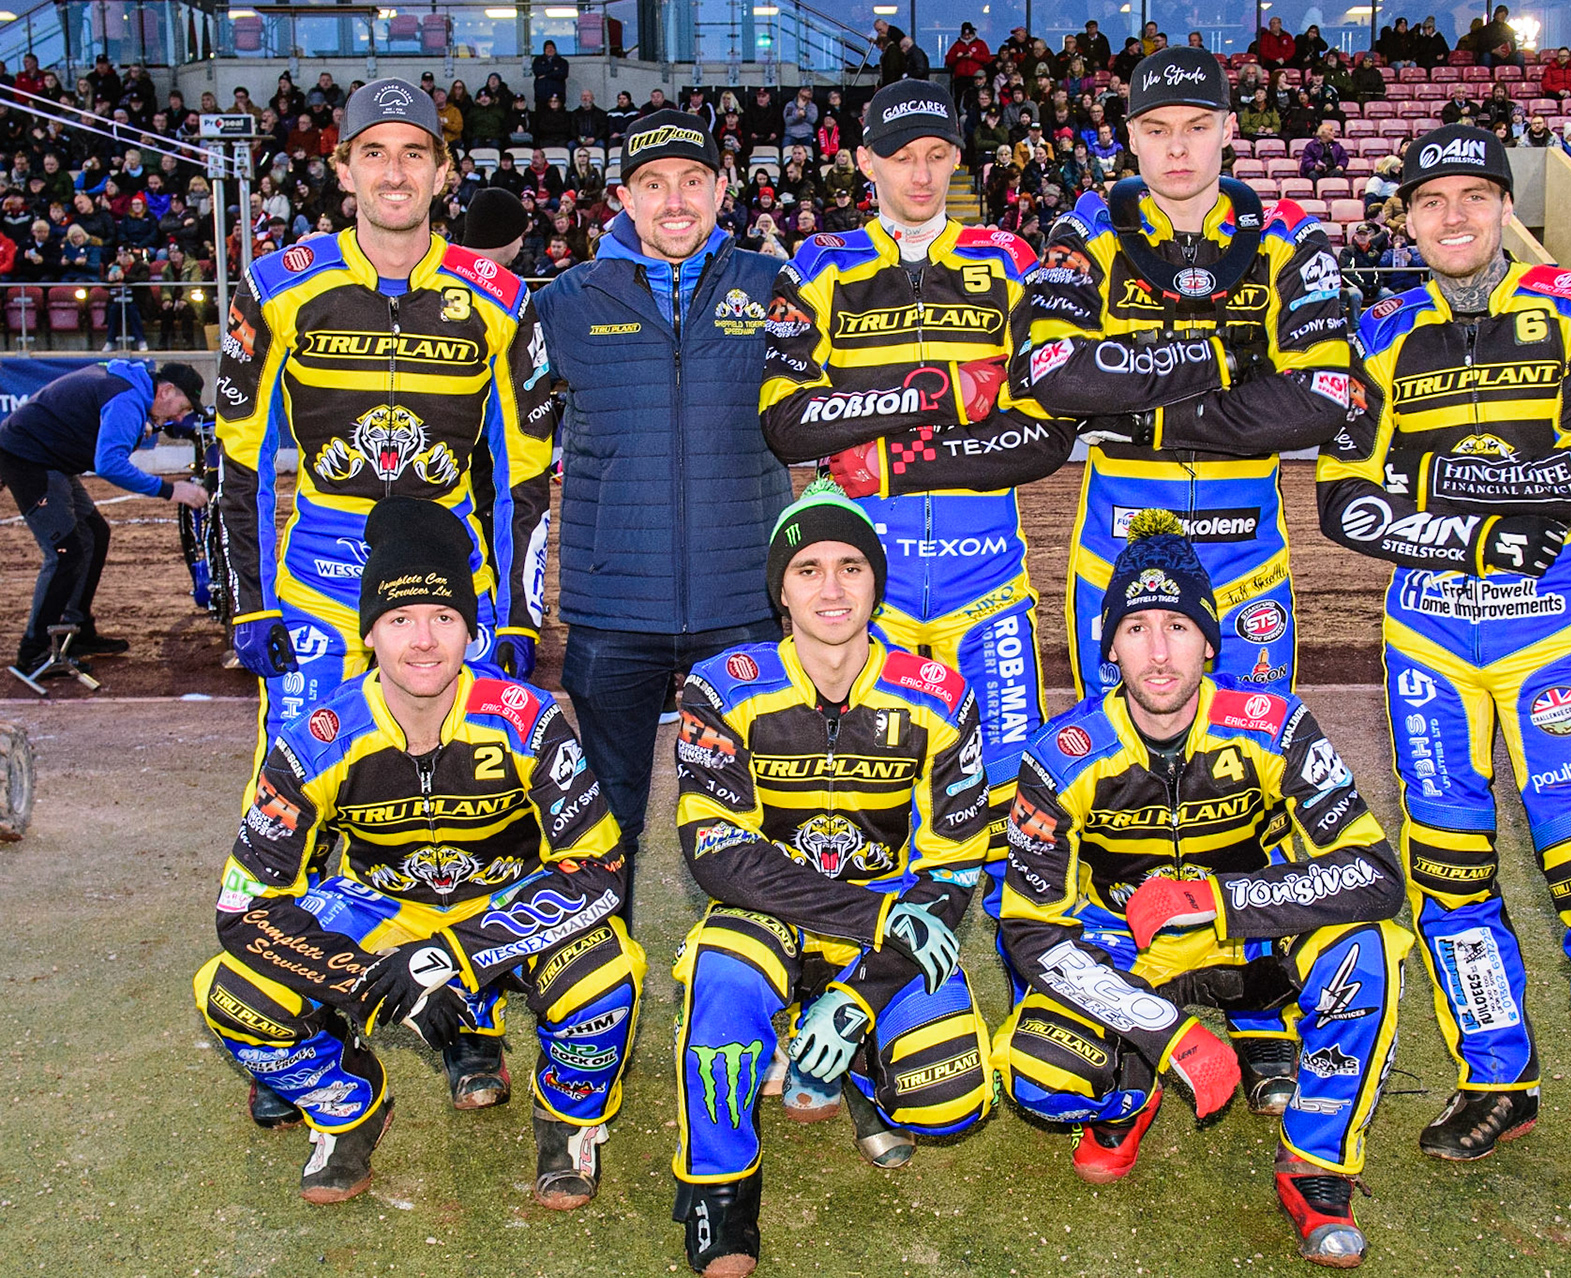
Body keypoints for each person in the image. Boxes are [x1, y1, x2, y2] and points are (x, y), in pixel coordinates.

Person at [1316, 125, 1571, 1208]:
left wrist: (1430, 502)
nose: (1455, 218)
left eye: (1476, 196)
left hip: (1548, 645)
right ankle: (1498, 1083)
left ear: (1504, 208)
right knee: (1449, 882)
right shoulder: (1379, 333)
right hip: (1426, 648)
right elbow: (1346, 505)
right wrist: (1482, 532)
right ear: (1408, 219)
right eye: (1432, 202)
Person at [191, 497, 646, 1208]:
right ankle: (348, 1108)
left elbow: (598, 870)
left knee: (602, 976)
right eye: (400, 620)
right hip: (381, 913)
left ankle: (570, 1122)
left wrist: (453, 956)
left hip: (503, 910)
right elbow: (245, 907)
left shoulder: (528, 719)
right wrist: (367, 978)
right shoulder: (317, 736)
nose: (424, 640)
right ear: (370, 633)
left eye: (444, 619)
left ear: (471, 631)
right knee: (231, 994)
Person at [993, 509, 1411, 1266]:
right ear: (1108, 645)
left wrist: (1217, 902)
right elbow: (1029, 933)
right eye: (1137, 628)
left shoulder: (1276, 727)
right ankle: (1129, 1090)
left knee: (1368, 944)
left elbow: (1377, 876)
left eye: (1179, 628)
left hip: (1250, 934)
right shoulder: (1058, 758)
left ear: (1211, 643)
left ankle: (1315, 1168)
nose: (1158, 652)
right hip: (1127, 949)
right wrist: (1163, 1030)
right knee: (1039, 1072)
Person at [759, 80, 1075, 919]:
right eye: (902, 158)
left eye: (937, 156)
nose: (922, 176)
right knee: (868, 794)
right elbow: (788, 424)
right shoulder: (819, 265)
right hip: (871, 595)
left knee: (1014, 794)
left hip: (989, 583)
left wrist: (881, 456)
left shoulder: (1009, 260)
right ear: (865, 161)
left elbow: (1045, 432)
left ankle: (1027, 963)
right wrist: (933, 399)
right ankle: (869, 957)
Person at [669, 481, 994, 1276]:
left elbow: (956, 867)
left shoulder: (940, 692)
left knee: (950, 1095)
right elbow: (716, 852)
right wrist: (873, 922)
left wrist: (861, 991)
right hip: (771, 907)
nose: (832, 587)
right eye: (808, 568)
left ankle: (853, 1061)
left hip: (896, 910)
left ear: (877, 582)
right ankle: (722, 1201)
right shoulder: (719, 687)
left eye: (851, 566)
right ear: (780, 588)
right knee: (722, 992)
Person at [215, 78, 556, 763]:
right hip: (320, 582)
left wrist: (522, 611)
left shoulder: (503, 298)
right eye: (374, 153)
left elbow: (526, 468)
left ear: (442, 171)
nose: (394, 172)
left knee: (467, 795)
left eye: (413, 153)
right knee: (291, 790)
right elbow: (239, 456)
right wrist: (248, 600)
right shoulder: (276, 286)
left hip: (452, 582)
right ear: (343, 168)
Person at [1008, 45, 1353, 707]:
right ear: (1130, 135)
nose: (1178, 149)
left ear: (1229, 128)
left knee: (1253, 755)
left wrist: (1135, 409)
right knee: (1113, 760)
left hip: (1246, 555)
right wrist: (1228, 364)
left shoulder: (1289, 235)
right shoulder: (1088, 233)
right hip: (1120, 546)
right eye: (1158, 129)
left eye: (1197, 127)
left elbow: (1320, 398)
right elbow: (1050, 374)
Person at [532, 113, 791, 878]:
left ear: (719, 190)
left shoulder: (772, 287)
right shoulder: (564, 302)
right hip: (612, 610)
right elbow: (512, 443)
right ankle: (598, 985)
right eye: (653, 184)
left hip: (743, 600)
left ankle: (750, 977)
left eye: (691, 182)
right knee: (602, 831)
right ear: (625, 197)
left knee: (752, 819)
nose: (674, 201)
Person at [0, 360, 207, 671]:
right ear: (165, 391)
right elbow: (109, 463)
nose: (180, 417)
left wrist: (141, 425)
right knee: (65, 552)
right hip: (28, 459)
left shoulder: (127, 385)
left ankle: (77, 630)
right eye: (182, 407)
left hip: (47, 458)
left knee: (95, 534)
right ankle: (34, 652)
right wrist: (169, 490)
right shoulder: (126, 399)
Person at [460, 186, 529, 267]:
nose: (521, 244)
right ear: (505, 236)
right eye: (520, 235)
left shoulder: (445, 263)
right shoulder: (505, 279)